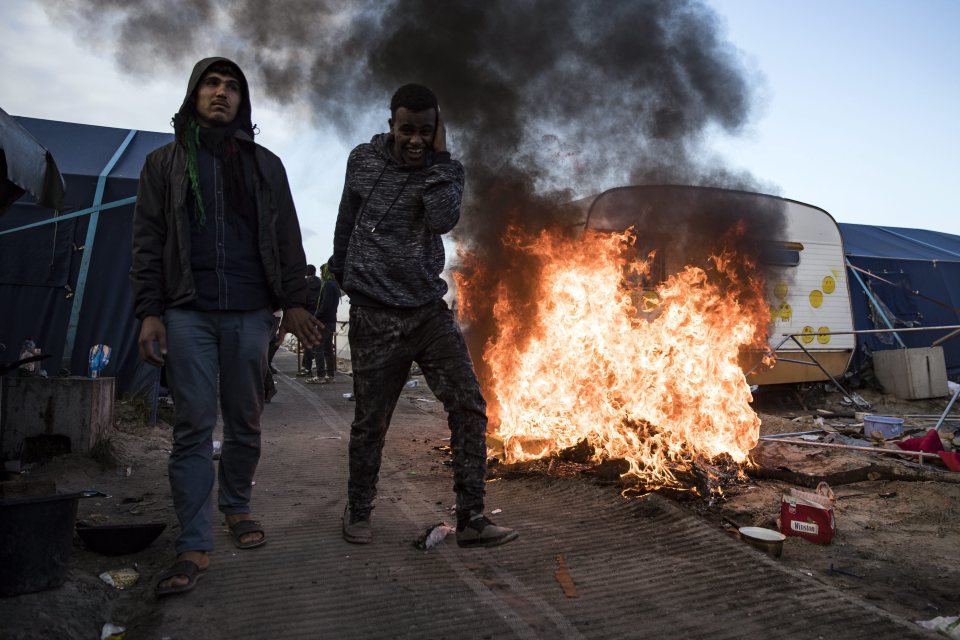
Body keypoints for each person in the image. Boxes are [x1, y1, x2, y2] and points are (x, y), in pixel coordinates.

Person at [130, 57, 323, 597]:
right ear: (193, 94)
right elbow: (146, 243)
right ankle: (193, 541)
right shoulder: (163, 164)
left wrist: (297, 302)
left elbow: (288, 240)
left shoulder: (265, 166)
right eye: (212, 84)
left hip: (249, 312)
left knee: (245, 421)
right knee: (192, 426)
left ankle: (236, 506)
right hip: (187, 312)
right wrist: (149, 311)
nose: (222, 93)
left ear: (244, 101)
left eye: (232, 86)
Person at [330, 83, 518, 548]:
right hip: (375, 314)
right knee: (371, 421)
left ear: (437, 132)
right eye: (407, 130)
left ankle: (472, 517)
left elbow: (440, 220)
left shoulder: (446, 171)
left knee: (470, 405)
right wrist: (344, 278)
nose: (415, 139)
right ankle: (358, 509)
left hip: (426, 313)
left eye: (425, 132)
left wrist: (438, 161)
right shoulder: (363, 160)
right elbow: (345, 220)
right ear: (391, 125)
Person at [313, 260, 341, 383]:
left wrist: (316, 316)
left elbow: (325, 305)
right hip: (331, 320)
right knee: (328, 348)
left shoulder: (328, 285)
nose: (320, 274)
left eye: (321, 271)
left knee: (318, 346)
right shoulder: (335, 284)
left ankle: (320, 376)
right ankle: (330, 375)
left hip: (324, 321)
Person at [299, 264, 324, 376]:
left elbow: (302, 300)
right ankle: (313, 367)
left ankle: (307, 368)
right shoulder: (321, 284)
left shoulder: (303, 285)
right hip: (319, 316)